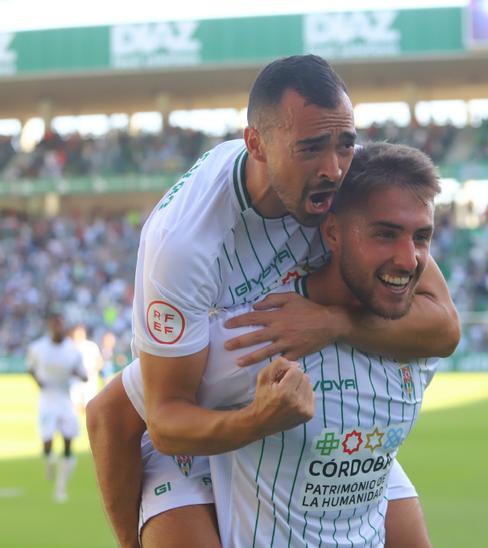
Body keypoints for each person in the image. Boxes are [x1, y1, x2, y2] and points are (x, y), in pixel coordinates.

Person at [86, 55, 458, 548]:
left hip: (327, 444)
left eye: (345, 143)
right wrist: (257, 419)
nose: (333, 167)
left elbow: (443, 327)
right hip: (217, 419)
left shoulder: (351, 182)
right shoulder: (185, 246)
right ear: (256, 145)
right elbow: (142, 414)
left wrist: (332, 324)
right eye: (311, 148)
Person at [27, 312, 88, 503]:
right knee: (47, 442)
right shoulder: (38, 348)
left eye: (60, 325)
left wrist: (77, 374)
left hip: (65, 398)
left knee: (69, 441)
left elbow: (83, 375)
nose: (57, 328)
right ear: (49, 327)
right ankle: (49, 460)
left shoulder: (72, 350)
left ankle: (61, 488)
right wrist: (38, 382)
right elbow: (30, 368)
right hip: (47, 399)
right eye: (54, 325)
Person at [69, 325, 104, 413]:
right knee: (75, 403)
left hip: (90, 378)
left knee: (89, 404)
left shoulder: (91, 346)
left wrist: (92, 371)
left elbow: (99, 361)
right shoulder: (70, 346)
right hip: (75, 379)